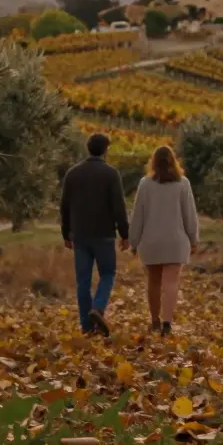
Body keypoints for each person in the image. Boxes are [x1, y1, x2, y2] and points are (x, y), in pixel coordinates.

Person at [60, 132, 129, 336]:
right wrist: (125, 233)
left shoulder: (72, 174)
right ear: (106, 150)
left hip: (80, 235)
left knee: (83, 280)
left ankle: (86, 326)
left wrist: (66, 233)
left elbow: (64, 206)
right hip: (104, 234)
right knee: (107, 274)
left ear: (88, 148)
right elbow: (119, 206)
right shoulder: (111, 174)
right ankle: (98, 308)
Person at [128, 145, 199, 336]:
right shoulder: (183, 183)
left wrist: (133, 241)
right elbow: (189, 215)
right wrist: (193, 238)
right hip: (176, 241)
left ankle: (154, 320)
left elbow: (138, 216)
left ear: (153, 162)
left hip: (151, 242)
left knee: (154, 281)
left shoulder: (145, 184)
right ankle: (167, 323)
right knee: (171, 282)